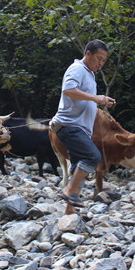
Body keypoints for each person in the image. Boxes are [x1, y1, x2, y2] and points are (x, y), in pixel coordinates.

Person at [50, 39, 116, 215]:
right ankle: (69, 190)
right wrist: (96, 98)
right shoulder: (77, 68)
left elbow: (83, 96)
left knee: (78, 168)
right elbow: (68, 90)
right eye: (98, 58)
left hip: (79, 128)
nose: (101, 63)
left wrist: (102, 100)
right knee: (92, 157)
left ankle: (70, 215)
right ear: (88, 54)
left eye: (103, 60)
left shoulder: (89, 74)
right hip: (70, 125)